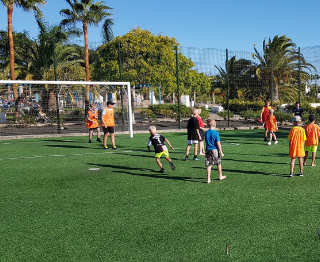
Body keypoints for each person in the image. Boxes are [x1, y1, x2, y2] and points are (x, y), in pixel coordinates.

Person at [205, 119, 226, 183]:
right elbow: (218, 143)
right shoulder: (216, 133)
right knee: (218, 163)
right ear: (215, 125)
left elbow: (205, 141)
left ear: (208, 125)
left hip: (208, 150)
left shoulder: (206, 133)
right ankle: (220, 176)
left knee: (209, 165)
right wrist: (221, 152)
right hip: (215, 150)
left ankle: (208, 179)